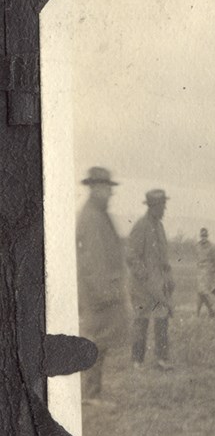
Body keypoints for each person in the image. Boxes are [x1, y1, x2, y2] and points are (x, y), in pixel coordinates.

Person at [75, 167, 126, 407]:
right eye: (106, 188)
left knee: (98, 340)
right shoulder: (93, 217)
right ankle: (90, 395)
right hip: (96, 293)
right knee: (96, 340)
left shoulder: (96, 214)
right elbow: (94, 261)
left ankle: (91, 393)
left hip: (96, 291)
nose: (109, 193)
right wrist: (104, 293)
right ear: (95, 188)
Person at [127, 189, 175, 370]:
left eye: (164, 205)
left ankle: (162, 360)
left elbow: (163, 257)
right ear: (153, 207)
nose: (164, 209)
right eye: (162, 205)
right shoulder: (141, 226)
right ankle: (137, 361)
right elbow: (131, 256)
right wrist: (144, 276)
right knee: (142, 322)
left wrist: (167, 277)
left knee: (162, 321)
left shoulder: (159, 227)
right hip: (142, 288)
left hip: (159, 286)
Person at [196, 228, 215, 317]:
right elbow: (198, 257)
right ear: (200, 236)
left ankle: (212, 308)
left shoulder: (211, 247)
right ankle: (204, 312)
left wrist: (213, 270)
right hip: (200, 271)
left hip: (208, 271)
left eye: (205, 236)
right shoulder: (197, 246)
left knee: (205, 291)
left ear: (207, 236)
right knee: (200, 292)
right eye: (202, 236)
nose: (203, 238)